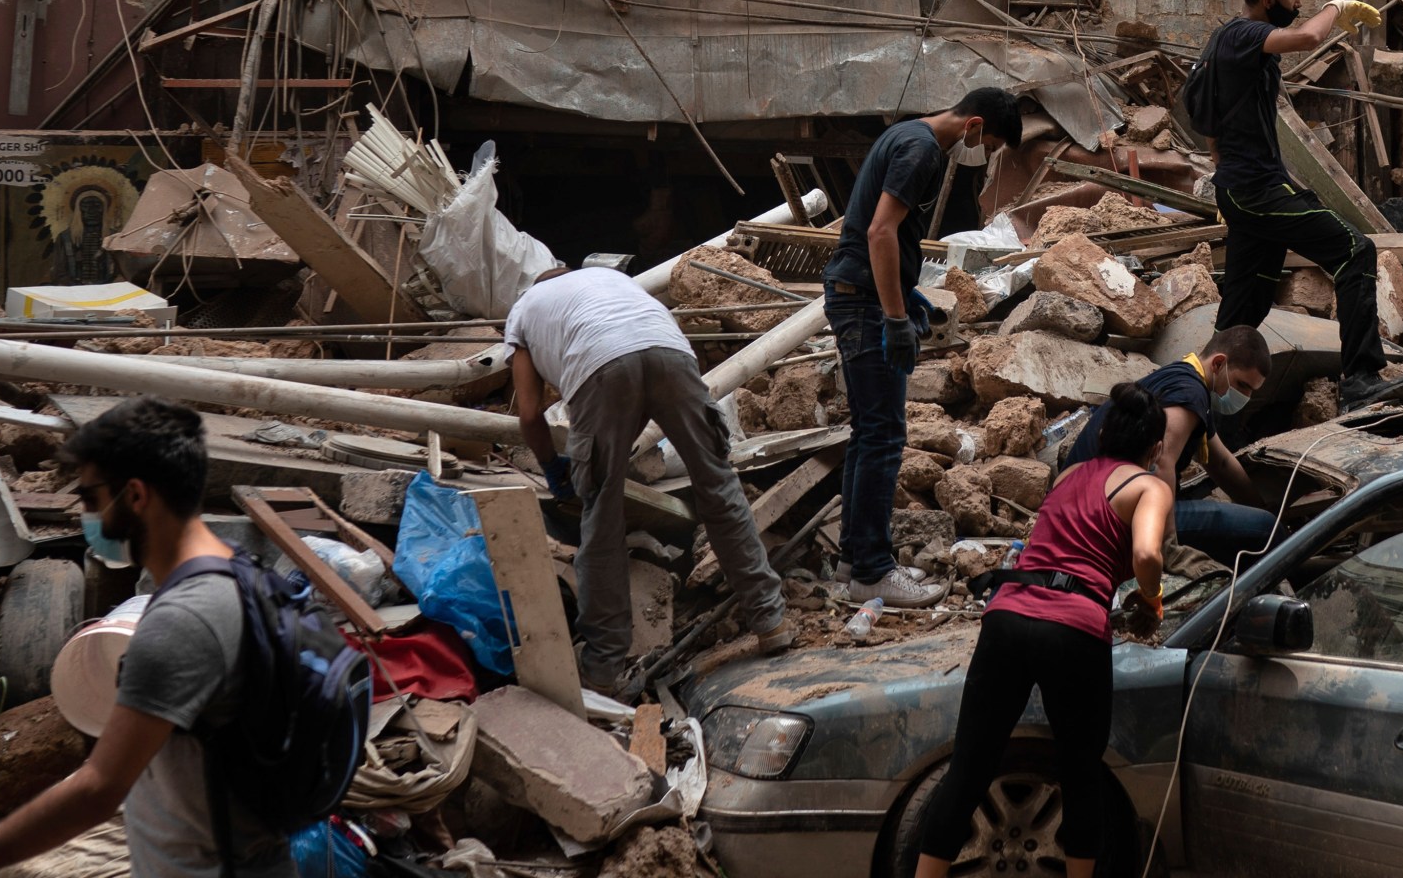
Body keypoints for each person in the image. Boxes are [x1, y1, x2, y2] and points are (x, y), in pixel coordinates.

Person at [0, 399, 295, 878]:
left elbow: (99, 789)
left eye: (89, 498)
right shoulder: (245, 578)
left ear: (137, 496)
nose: (86, 516)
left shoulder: (179, 624)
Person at [913, 381, 1175, 878]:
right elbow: (1146, 554)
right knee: (1080, 776)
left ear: (1102, 437)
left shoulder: (1070, 474)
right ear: (1156, 447)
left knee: (969, 769)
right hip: (1073, 630)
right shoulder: (1149, 487)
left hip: (1008, 616)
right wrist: (1151, 597)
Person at [508, 263, 790, 690]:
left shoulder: (523, 311)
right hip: (671, 354)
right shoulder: (614, 281)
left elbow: (529, 414)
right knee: (719, 485)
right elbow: (643, 367)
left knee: (601, 517)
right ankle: (770, 620)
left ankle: (603, 668)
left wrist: (552, 466)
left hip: (597, 366)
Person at [824, 88, 1022, 607]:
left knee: (870, 433)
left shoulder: (905, 132)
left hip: (857, 293)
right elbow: (880, 231)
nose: (984, 153)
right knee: (886, 435)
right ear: (974, 125)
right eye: (991, 143)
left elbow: (880, 230)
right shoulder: (923, 153)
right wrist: (893, 317)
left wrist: (906, 291)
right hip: (864, 304)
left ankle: (852, 561)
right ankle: (871, 570)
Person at [1208, 0, 1403, 410]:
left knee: (1247, 303)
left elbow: (1211, 120)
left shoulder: (1228, 43)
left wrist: (1226, 178)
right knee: (1354, 250)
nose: (1300, 0)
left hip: (1244, 189)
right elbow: (1305, 37)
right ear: (1267, 0)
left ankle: (1204, 394)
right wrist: (1336, 7)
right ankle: (1360, 378)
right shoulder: (1245, 34)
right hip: (1258, 190)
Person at [1060, 324, 1276, 564]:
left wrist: (1262, 506)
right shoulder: (1189, 392)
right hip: (1105, 515)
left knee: (1260, 520)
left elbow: (1221, 462)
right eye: (1242, 385)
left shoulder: (1185, 381)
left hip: (1087, 502)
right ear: (1218, 364)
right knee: (1265, 531)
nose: (1245, 397)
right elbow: (1161, 464)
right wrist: (1168, 544)